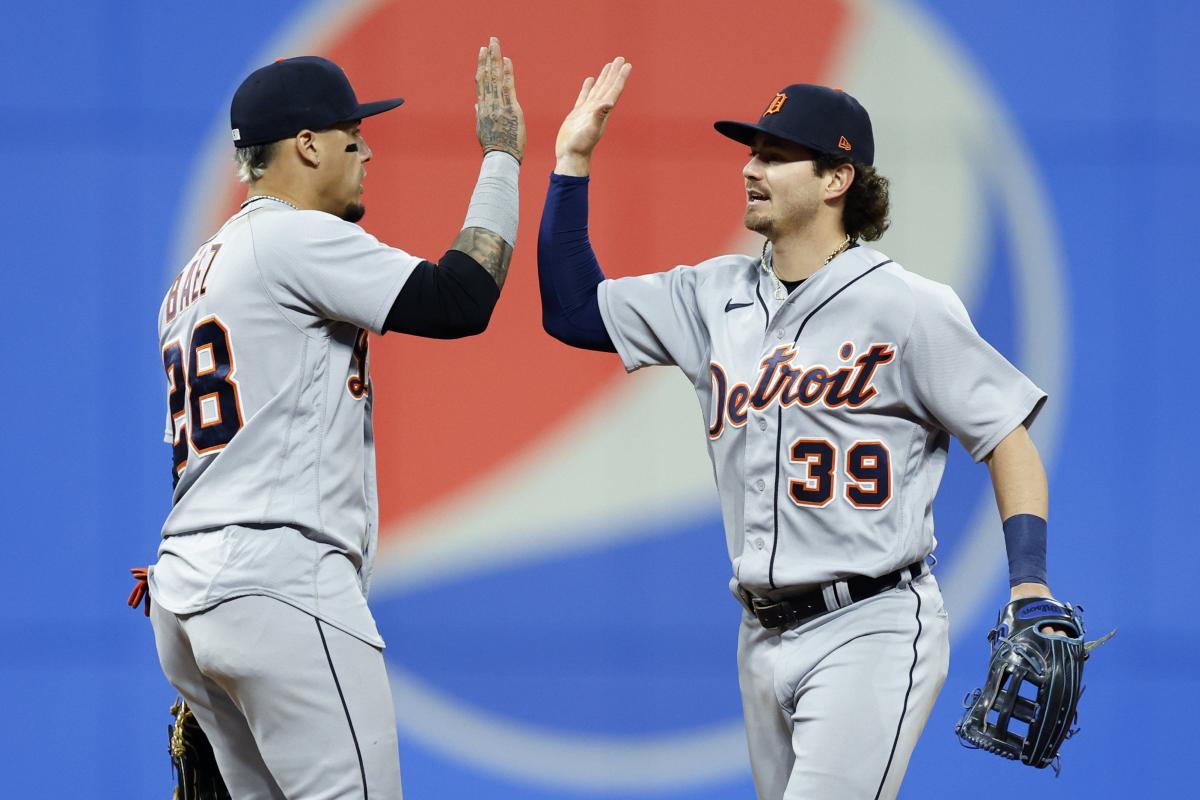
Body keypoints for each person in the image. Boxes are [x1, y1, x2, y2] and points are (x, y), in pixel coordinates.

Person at [538, 59, 1058, 799]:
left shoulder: (907, 305)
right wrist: (572, 162)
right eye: (753, 153)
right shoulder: (711, 295)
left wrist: (1029, 582)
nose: (751, 168)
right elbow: (571, 310)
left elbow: (1007, 436)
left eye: (776, 156)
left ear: (836, 178)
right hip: (760, 633)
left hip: (872, 624)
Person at [146, 40, 523, 799]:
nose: (368, 153)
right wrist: (503, 160)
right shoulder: (292, 236)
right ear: (308, 145)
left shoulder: (191, 279)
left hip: (187, 592)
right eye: (355, 136)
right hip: (280, 580)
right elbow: (461, 299)